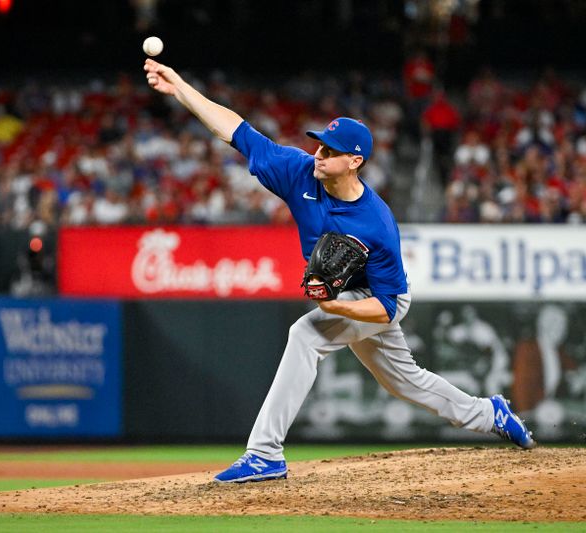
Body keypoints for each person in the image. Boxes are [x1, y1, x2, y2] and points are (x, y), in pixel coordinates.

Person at [143, 58, 536, 484]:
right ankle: (488, 413)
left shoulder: (377, 223)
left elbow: (386, 309)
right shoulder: (299, 173)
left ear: (355, 161)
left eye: (330, 151)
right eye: (318, 145)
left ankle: (264, 453)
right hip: (346, 297)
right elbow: (236, 131)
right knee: (405, 382)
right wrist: (181, 88)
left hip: (378, 299)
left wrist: (335, 306)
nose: (318, 154)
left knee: (305, 334)